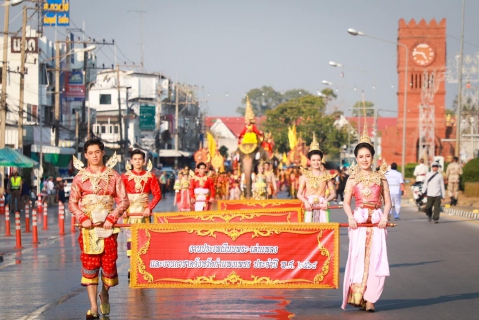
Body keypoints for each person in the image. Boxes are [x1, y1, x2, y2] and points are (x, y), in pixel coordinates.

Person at [68, 138, 129, 319]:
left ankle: (105, 292)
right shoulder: (79, 178)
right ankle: (94, 306)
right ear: (85, 155)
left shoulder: (114, 176)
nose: (94, 156)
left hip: (108, 228)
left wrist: (112, 217)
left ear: (103, 153)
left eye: (97, 152)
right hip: (88, 229)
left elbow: (124, 201)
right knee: (90, 265)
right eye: (90, 153)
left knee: (109, 265)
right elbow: (72, 203)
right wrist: (82, 217)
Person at [342, 125, 391, 312]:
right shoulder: (352, 179)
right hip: (359, 222)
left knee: (377, 258)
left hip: (377, 221)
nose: (364, 159)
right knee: (359, 258)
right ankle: (358, 295)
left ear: (373, 157)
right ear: (356, 158)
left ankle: (371, 299)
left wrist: (385, 216)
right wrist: (351, 218)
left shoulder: (381, 177)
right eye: (361, 156)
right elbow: (346, 203)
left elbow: (388, 202)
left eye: (367, 156)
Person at [121, 149, 162, 272]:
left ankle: (141, 265)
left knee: (143, 239)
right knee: (131, 239)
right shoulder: (125, 177)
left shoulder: (150, 176)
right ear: (131, 161)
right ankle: (132, 266)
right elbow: (119, 195)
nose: (137, 161)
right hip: (130, 212)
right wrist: (122, 209)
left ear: (144, 161)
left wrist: (149, 207)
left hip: (143, 213)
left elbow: (157, 194)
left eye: (140, 159)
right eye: (135, 159)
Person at [297, 133, 336, 223]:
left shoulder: (326, 176)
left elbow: (333, 193)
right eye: (314, 160)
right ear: (310, 161)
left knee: (323, 230)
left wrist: (326, 201)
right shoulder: (304, 176)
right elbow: (299, 194)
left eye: (318, 160)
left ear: (321, 160)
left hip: (322, 206)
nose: (316, 162)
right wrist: (305, 202)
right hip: (309, 206)